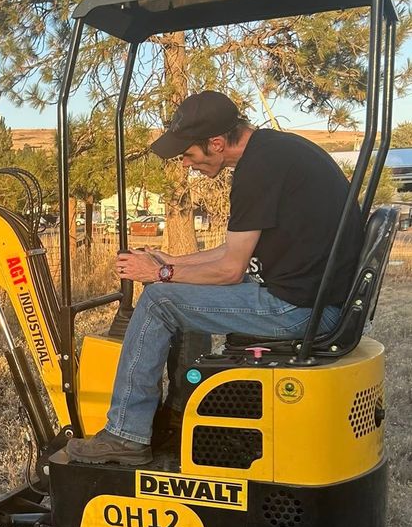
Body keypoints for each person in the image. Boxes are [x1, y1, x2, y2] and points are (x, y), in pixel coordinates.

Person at [66, 90, 363, 465]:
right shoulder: (273, 154)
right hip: (311, 299)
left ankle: (126, 434)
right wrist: (173, 263)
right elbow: (231, 252)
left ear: (217, 143)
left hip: (301, 310)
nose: (187, 165)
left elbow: (229, 270)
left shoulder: (259, 170)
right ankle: (179, 413)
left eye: (188, 155)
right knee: (172, 287)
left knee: (159, 302)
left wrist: (160, 274)